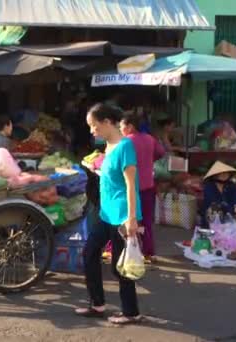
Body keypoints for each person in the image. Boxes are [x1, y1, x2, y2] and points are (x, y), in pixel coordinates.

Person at [75, 103, 144, 325]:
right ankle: (97, 303)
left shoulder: (125, 147)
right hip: (106, 213)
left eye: (94, 126)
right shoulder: (108, 146)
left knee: (120, 265)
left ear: (106, 123)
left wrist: (132, 219)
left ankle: (131, 312)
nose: (92, 131)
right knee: (89, 253)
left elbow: (131, 185)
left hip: (122, 214)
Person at [120, 112, 165, 262]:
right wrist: (148, 159)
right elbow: (161, 152)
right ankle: (148, 252)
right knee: (146, 221)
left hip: (130, 187)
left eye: (122, 126)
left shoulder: (125, 142)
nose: (120, 129)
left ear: (130, 126)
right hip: (148, 186)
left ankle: (122, 250)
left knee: (125, 219)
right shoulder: (150, 139)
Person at [202, 161, 236, 226]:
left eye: (226, 172)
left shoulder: (231, 185)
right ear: (215, 175)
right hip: (212, 218)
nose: (224, 174)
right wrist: (231, 209)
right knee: (215, 209)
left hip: (229, 217)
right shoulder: (209, 186)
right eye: (221, 173)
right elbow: (212, 203)